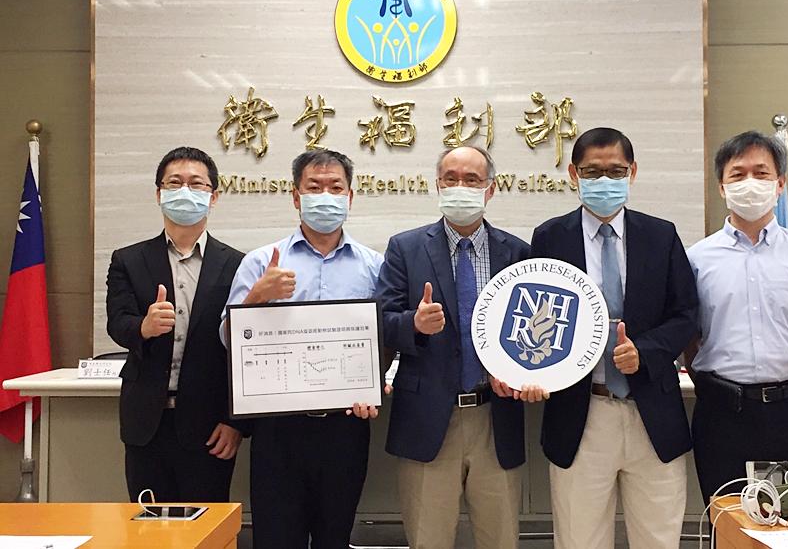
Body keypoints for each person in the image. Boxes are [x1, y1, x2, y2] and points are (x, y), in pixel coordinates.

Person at [527, 128, 698, 549]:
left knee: (658, 539)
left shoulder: (661, 235)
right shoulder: (549, 238)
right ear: (574, 174)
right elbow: (533, 316)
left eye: (616, 171)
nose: (604, 181)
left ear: (632, 172)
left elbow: (687, 315)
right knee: (579, 540)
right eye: (592, 172)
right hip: (581, 412)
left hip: (651, 412)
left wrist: (647, 351)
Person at [222, 149, 383, 549]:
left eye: (335, 187)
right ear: (296, 197)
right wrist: (257, 296)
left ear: (350, 196)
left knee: (335, 537)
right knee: (277, 538)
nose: (325, 196)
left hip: (345, 426)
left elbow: (386, 339)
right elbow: (227, 338)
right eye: (314, 187)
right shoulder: (261, 262)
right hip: (278, 429)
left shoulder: (374, 266)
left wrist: (378, 382)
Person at [686, 130, 788, 502]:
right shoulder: (697, 258)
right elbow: (690, 339)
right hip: (723, 413)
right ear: (722, 187)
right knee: (729, 519)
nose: (750, 183)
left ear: (780, 184)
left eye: (761, 173)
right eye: (738, 174)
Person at [376, 145, 529, 549]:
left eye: (472, 180)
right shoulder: (405, 248)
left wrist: (519, 372)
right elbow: (381, 323)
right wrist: (414, 323)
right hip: (427, 421)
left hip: (495, 418)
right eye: (451, 178)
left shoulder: (517, 253)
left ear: (490, 189)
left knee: (500, 540)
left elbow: (529, 330)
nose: (461, 187)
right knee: (429, 540)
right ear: (438, 185)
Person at [106, 146, 245, 502]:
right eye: (174, 183)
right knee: (147, 524)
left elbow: (244, 351)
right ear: (159, 194)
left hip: (210, 426)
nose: (185, 191)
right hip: (146, 423)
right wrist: (144, 327)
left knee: (206, 524)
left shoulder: (238, 264)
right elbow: (117, 323)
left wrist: (235, 422)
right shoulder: (128, 260)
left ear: (214, 197)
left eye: (196, 184)